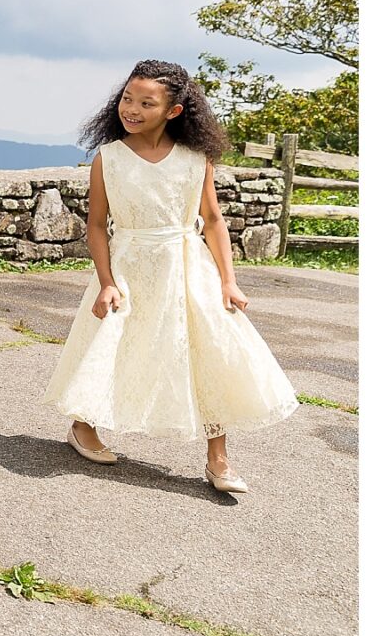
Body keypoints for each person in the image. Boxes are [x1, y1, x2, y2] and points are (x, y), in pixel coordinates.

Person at [40, 59, 297, 493]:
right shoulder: (110, 158)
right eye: (127, 98)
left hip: (187, 267)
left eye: (146, 102)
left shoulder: (197, 159)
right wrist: (106, 281)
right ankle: (83, 427)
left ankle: (218, 458)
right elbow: (97, 225)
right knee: (115, 346)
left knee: (206, 352)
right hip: (130, 267)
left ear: (173, 110)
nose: (131, 109)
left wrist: (229, 281)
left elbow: (213, 220)